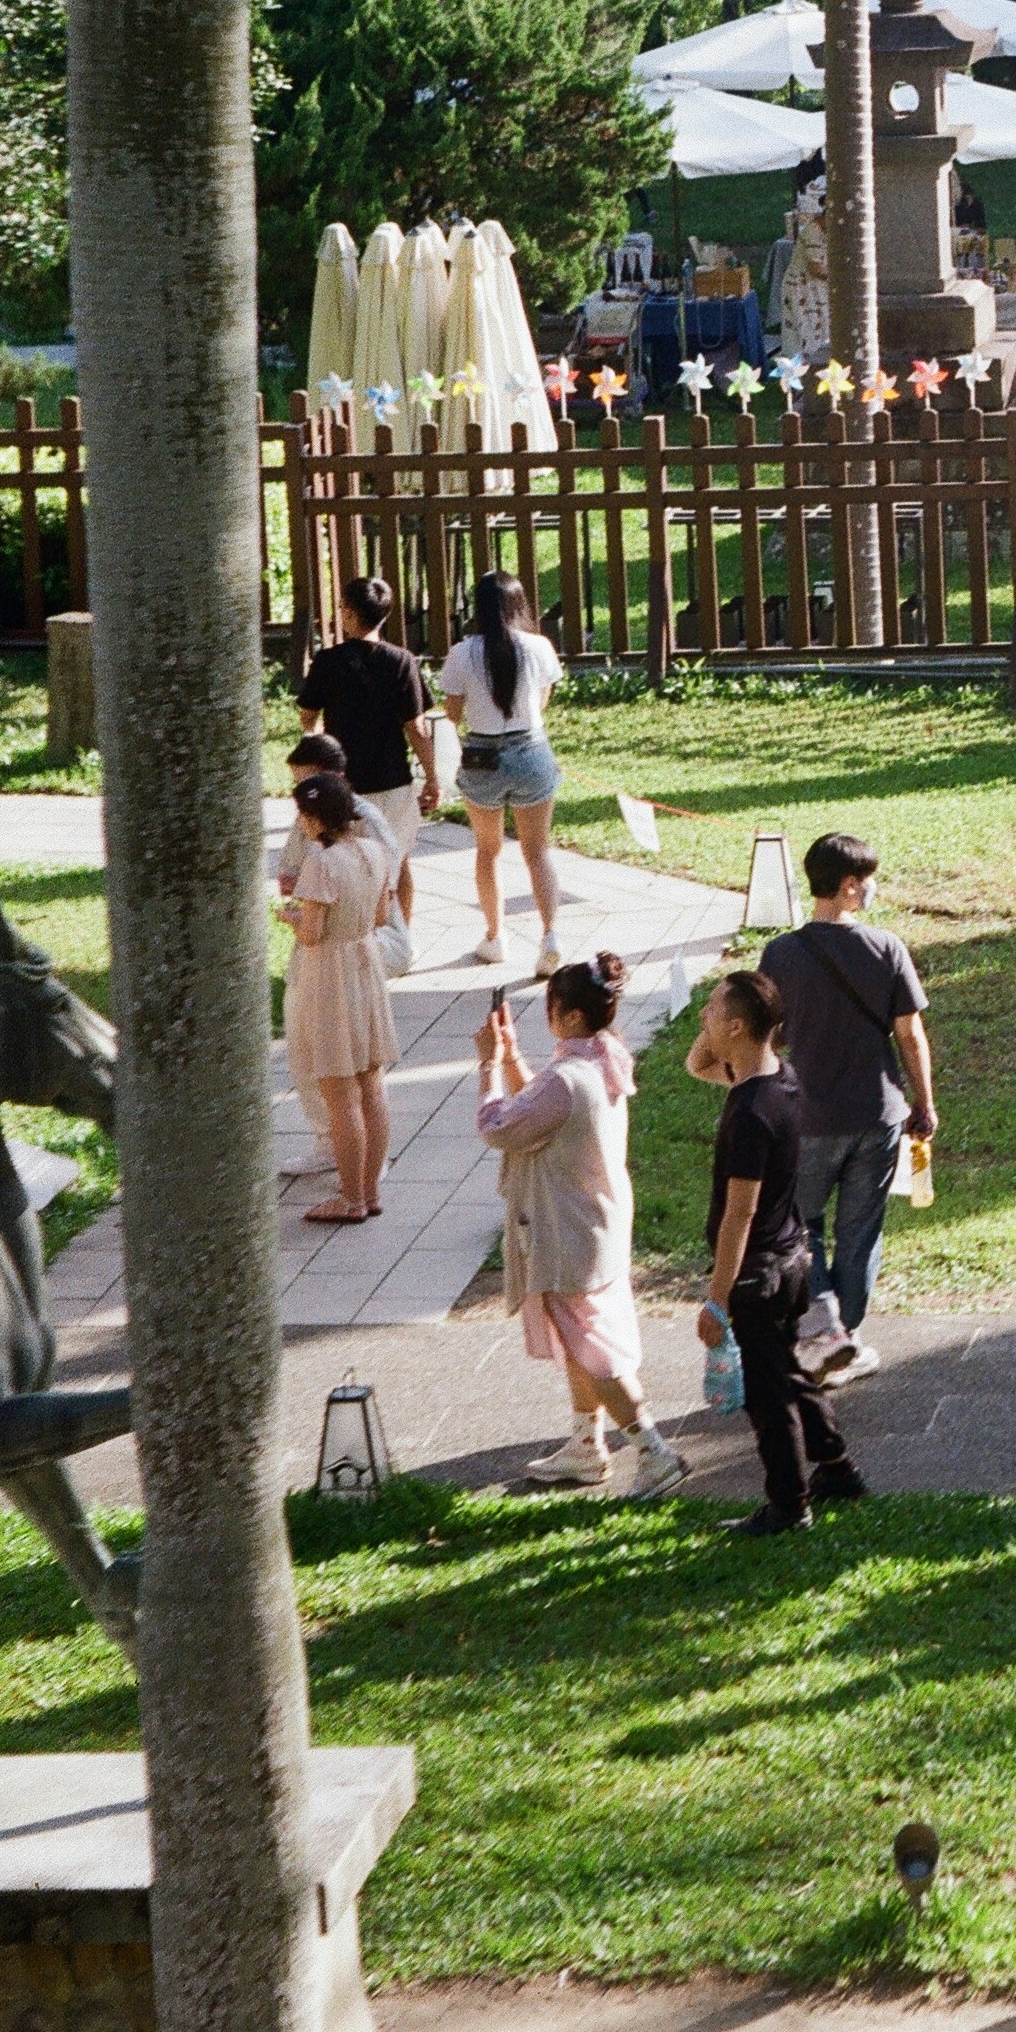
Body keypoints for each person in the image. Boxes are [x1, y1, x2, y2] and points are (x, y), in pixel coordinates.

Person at [475, 959, 682, 1493]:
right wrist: (516, 1057)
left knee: (595, 1353)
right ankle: (585, 1444)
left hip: (567, 1233)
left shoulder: (567, 1078)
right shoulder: (605, 1059)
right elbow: (540, 1109)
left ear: (565, 1015)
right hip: (597, 1224)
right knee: (579, 1338)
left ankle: (653, 1452)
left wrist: (488, 1067)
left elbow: (500, 1126)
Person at [688, 965, 864, 1534]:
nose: (703, 1017)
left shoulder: (749, 1115)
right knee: (788, 1372)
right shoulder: (781, 1080)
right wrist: (721, 1030)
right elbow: (698, 1063)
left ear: (739, 1027)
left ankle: (789, 1506)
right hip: (795, 1260)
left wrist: (717, 1304)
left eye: (712, 1010)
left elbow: (739, 1214)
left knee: (768, 1399)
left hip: (758, 1273)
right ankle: (835, 1467)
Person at [769, 832, 935, 1365]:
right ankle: (846, 1335)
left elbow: (767, 1038)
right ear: (848, 887)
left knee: (802, 1225)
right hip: (877, 1114)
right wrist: (924, 1104)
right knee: (861, 1231)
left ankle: (826, 1330)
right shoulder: (886, 948)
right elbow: (910, 1035)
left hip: (807, 1117)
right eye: (865, 881)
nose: (870, 889)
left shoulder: (780, 954)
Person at [274, 764, 399, 1226]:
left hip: (330, 975)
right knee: (371, 1082)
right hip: (367, 967)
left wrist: (289, 917)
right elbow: (383, 915)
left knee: (339, 1092)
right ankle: (369, 1190)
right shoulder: (374, 851)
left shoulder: (321, 863)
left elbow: (311, 934)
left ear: (315, 818)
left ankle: (349, 1199)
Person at [437, 565, 566, 966]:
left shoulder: (462, 653)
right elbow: (541, 703)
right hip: (532, 753)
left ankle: (495, 938)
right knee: (537, 851)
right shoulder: (540, 647)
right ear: (519, 604)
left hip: (482, 759)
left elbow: (453, 714)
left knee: (487, 851)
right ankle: (550, 938)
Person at [296, 568, 435, 936]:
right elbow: (417, 728)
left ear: (349, 613)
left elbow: (308, 717)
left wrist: (315, 758)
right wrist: (433, 777)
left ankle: (356, 931)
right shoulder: (402, 661)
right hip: (393, 779)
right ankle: (400, 937)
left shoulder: (327, 662)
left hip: (343, 784)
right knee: (398, 861)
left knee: (345, 857)